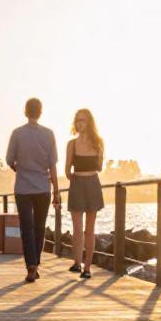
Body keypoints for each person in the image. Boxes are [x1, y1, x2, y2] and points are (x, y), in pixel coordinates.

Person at [6, 97, 59, 283]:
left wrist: (19, 169)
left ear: (25, 112)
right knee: (39, 227)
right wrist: (57, 191)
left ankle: (31, 265)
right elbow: (53, 166)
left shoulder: (17, 134)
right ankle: (35, 262)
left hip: (23, 188)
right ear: (40, 112)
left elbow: (9, 160)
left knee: (26, 227)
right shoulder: (49, 134)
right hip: (43, 187)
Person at [65, 108, 104, 279]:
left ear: (89, 123)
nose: (80, 123)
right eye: (78, 120)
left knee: (90, 229)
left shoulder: (98, 142)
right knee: (77, 228)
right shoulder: (71, 144)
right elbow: (67, 170)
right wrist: (76, 180)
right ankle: (77, 262)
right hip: (77, 183)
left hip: (93, 183)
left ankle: (87, 267)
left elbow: (99, 168)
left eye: (84, 120)